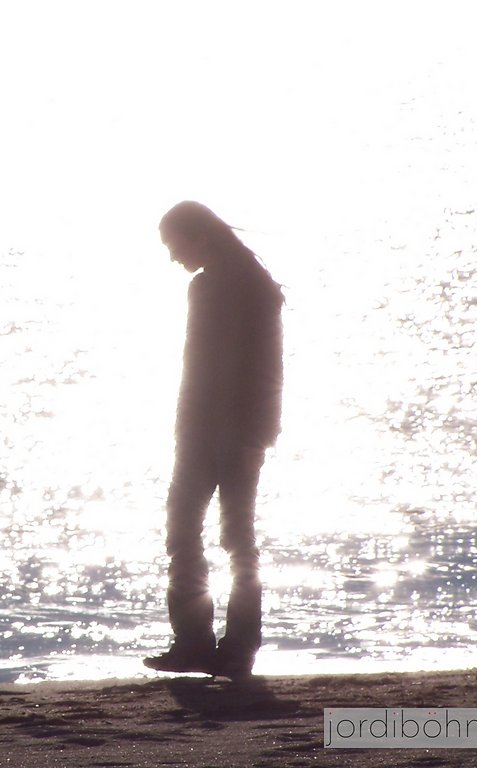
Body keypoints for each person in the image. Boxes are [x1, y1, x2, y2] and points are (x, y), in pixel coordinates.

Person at [144, 201, 284, 679]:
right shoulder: (202, 286)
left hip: (238, 433)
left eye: (173, 244)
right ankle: (193, 643)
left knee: (236, 539)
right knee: (182, 528)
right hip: (198, 430)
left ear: (198, 237)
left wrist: (257, 438)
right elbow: (195, 370)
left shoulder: (255, 289)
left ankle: (239, 649)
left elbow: (268, 370)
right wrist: (185, 429)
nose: (171, 256)